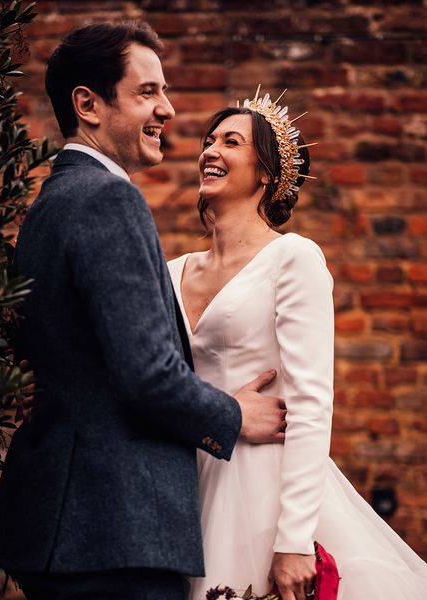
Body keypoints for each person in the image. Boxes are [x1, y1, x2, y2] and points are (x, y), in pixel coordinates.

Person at [0, 23, 288, 600]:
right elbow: (145, 372)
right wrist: (232, 415)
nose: (167, 109)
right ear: (88, 105)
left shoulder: (50, 203)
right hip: (113, 528)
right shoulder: (107, 197)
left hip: (63, 524)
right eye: (147, 92)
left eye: (164, 91)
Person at [167, 89, 427, 600]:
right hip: (186, 484)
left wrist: (293, 541)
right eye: (208, 140)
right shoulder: (171, 272)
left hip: (263, 487)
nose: (210, 151)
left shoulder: (293, 259)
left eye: (231, 142)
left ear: (265, 173)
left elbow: (311, 403)